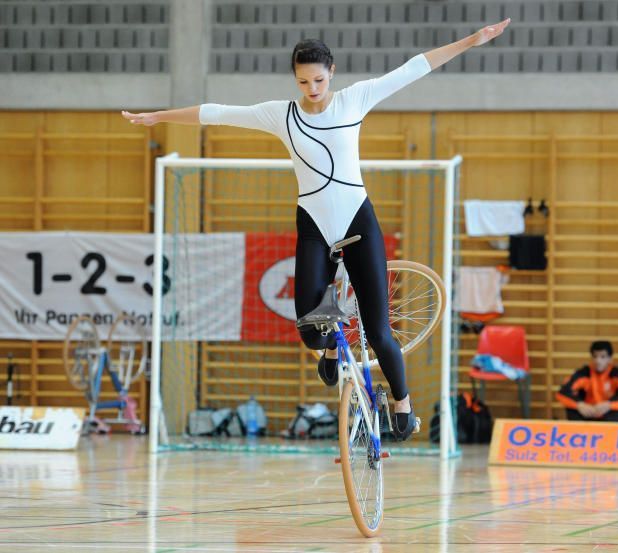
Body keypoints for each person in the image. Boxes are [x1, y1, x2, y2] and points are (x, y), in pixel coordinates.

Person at [122, 19, 512, 440]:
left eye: (319, 79)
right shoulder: (281, 115)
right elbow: (215, 114)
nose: (312, 88)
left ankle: (403, 405)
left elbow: (415, 67)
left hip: (358, 222)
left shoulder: (354, 100)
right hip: (314, 227)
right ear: (295, 79)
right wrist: (157, 116)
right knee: (309, 328)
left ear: (332, 73)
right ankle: (329, 344)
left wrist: (472, 40)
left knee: (379, 332)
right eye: (304, 81)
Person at [556, 341, 618, 422]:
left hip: (609, 414)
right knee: (572, 409)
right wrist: (579, 405)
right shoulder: (583, 373)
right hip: (588, 412)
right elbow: (562, 393)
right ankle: (579, 433)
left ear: (610, 359)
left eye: (603, 357)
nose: (598, 361)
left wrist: (609, 405)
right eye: (595, 356)